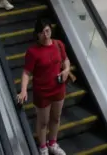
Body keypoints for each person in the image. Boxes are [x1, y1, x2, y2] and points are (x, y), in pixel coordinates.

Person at [17, 19, 72, 155]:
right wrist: (23, 90)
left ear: (51, 30)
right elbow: (26, 72)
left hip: (58, 89)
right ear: (37, 34)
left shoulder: (59, 45)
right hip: (42, 92)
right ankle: (43, 147)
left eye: (47, 31)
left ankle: (52, 142)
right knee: (43, 121)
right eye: (42, 33)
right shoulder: (33, 52)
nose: (45, 35)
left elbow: (65, 60)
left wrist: (66, 70)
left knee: (56, 118)